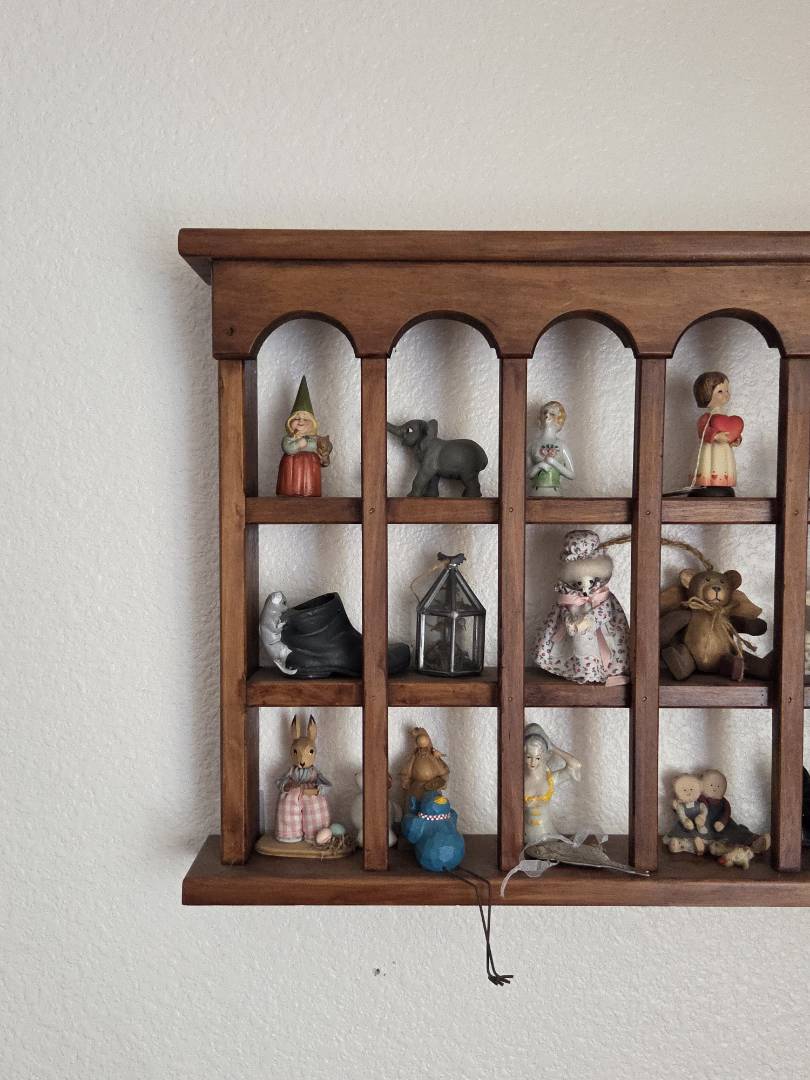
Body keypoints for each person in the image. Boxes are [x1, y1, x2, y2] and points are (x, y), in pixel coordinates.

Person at [523, 722, 581, 845]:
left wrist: (552, 747)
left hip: (549, 837)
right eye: (529, 757)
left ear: (543, 757)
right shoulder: (518, 782)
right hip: (525, 839)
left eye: (537, 758)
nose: (533, 762)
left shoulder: (550, 780)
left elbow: (575, 765)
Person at [276, 376, 332, 497]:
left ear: (312, 423)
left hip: (310, 468)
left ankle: (310, 493)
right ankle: (288, 494)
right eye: (296, 418)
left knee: (310, 488)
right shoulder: (289, 438)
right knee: (289, 489)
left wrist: (325, 456)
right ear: (290, 421)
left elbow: (323, 448)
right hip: (291, 469)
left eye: (305, 419)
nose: (301, 421)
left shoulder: (315, 439)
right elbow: (287, 448)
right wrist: (298, 444)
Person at [690, 371, 742, 496]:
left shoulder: (727, 418)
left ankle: (722, 483)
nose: (726, 394)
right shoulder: (706, 417)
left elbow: (732, 431)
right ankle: (708, 483)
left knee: (723, 464)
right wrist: (716, 435)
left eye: (727, 390)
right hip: (710, 449)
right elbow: (702, 431)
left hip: (724, 450)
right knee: (709, 463)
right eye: (720, 391)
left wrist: (735, 439)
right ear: (706, 394)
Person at [526, 400, 575, 496]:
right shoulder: (532, 445)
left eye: (552, 414)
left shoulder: (562, 446)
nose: (547, 415)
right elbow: (527, 474)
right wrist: (540, 465)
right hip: (534, 495)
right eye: (544, 412)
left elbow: (572, 474)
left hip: (555, 495)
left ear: (559, 419)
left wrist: (553, 463)